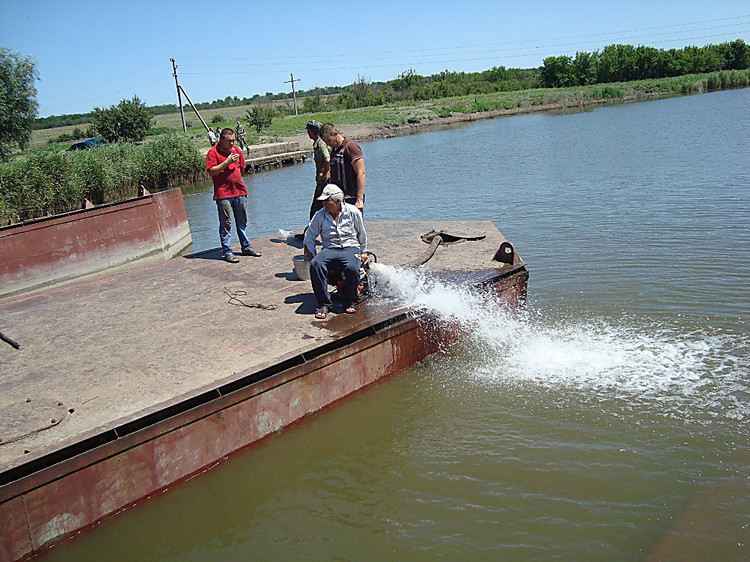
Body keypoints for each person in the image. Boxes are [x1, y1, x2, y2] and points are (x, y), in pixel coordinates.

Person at [303, 184, 368, 319]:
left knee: (352, 268)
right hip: (330, 248)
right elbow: (309, 237)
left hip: (350, 247)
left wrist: (363, 251)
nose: (324, 204)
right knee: (316, 264)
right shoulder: (319, 216)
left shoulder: (352, 212)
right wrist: (314, 255)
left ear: (338, 201)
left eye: (328, 201)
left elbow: (361, 233)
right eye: (323, 201)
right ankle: (324, 303)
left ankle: (349, 301)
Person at [206, 128, 262, 262]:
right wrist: (226, 162)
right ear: (222, 140)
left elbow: (242, 168)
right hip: (223, 193)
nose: (232, 144)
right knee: (225, 223)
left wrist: (235, 177)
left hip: (239, 190)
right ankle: (227, 251)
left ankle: (246, 247)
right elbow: (212, 172)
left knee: (242, 220)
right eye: (229, 141)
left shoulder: (236, 150)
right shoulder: (212, 153)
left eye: (233, 140)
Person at [318, 123, 365, 213]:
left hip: (351, 197)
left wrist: (359, 199)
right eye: (325, 142)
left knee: (353, 226)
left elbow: (361, 173)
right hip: (338, 198)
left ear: (335, 134)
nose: (328, 144)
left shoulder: (351, 147)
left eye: (329, 141)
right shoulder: (334, 150)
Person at [305, 120, 331, 219]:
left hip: (325, 181)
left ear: (310, 132)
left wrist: (324, 175)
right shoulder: (319, 143)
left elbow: (327, 159)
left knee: (315, 208)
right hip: (325, 181)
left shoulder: (320, 144)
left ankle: (310, 232)